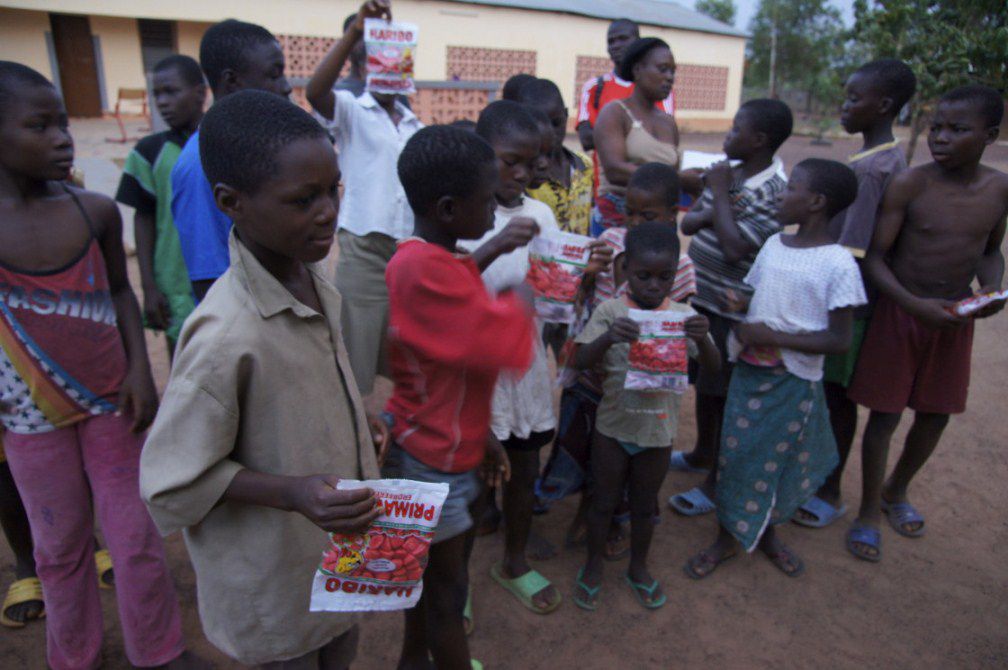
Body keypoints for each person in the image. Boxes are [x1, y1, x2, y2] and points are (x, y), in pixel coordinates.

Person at [141, 91, 386, 667]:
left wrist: (355, 418)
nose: (328, 211)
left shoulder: (315, 281)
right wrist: (290, 492)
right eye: (304, 199)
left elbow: (306, 387)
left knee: (339, 650)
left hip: (332, 561)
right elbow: (170, 481)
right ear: (232, 202)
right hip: (275, 584)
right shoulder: (226, 336)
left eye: (333, 191)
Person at [0, 61, 194, 670]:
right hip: (28, 417)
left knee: (136, 539)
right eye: (41, 126)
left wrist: (142, 369)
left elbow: (118, 292)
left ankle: (158, 653)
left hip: (114, 403)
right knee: (58, 546)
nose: (62, 137)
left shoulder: (93, 212)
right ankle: (73, 656)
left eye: (63, 123)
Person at [382, 124, 533, 669]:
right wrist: (523, 301)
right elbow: (495, 341)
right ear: (448, 209)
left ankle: (410, 661)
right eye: (487, 198)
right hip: (429, 462)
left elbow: (454, 367)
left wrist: (484, 435)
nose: (496, 207)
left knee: (429, 581)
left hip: (440, 445)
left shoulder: (432, 258)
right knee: (446, 592)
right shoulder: (421, 269)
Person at [844, 85, 1008, 562]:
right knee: (886, 414)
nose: (941, 137)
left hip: (954, 320)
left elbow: (989, 252)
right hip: (901, 312)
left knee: (935, 414)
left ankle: (898, 490)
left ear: (990, 135)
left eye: (958, 130)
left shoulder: (999, 189)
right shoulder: (911, 184)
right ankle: (869, 510)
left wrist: (992, 290)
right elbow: (876, 259)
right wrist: (913, 305)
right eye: (936, 126)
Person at [684, 158, 866, 579]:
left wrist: (772, 336)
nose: (782, 195)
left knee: (777, 460)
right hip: (748, 373)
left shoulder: (838, 264)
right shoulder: (773, 245)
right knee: (736, 454)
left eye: (792, 189)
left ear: (816, 202)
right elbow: (757, 296)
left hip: (791, 380)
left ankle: (767, 534)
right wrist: (740, 303)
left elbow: (839, 340)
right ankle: (726, 539)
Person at [459, 100, 602, 617]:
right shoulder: (461, 214)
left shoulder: (540, 214)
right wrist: (496, 246)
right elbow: (443, 293)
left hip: (524, 368)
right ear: (480, 155)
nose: (521, 174)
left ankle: (514, 561)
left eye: (532, 162)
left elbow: (550, 293)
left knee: (524, 467)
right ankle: (459, 589)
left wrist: (581, 269)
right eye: (508, 161)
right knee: (472, 485)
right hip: (476, 378)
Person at [795, 59, 917, 529]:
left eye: (852, 98)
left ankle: (829, 490)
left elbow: (852, 250)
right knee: (829, 395)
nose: (843, 106)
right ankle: (820, 478)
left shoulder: (874, 169)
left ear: (883, 105)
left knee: (835, 397)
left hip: (850, 303)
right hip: (852, 299)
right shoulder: (878, 158)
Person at [572, 221, 719, 609]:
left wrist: (703, 338)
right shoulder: (611, 311)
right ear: (625, 270)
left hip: (657, 434)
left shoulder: (685, 316)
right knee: (602, 502)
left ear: (676, 274)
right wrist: (609, 337)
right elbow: (581, 358)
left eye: (664, 277)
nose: (654, 285)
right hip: (613, 429)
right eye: (643, 276)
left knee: (643, 506)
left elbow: (715, 369)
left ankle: (638, 567)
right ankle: (592, 565)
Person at [669, 99, 793, 516]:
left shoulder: (776, 190)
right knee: (705, 384)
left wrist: (719, 198)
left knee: (724, 393)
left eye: (735, 127)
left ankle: (717, 479)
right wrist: (719, 210)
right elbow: (688, 223)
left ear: (759, 139)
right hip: (700, 297)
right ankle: (703, 452)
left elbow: (738, 246)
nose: (727, 134)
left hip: (732, 308)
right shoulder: (728, 171)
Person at [306, 0, 424, 396]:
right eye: (380, 58)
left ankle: (393, 430)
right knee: (355, 352)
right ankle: (355, 436)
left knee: (405, 349)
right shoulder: (353, 112)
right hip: (364, 250)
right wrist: (357, 30)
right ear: (366, 66)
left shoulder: (413, 124)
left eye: (398, 59)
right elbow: (315, 90)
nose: (389, 66)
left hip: (407, 251)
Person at [171, 19, 292, 302]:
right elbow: (209, 280)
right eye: (274, 75)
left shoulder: (257, 146)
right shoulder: (200, 163)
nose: (286, 87)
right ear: (232, 81)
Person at [115, 54, 206, 361]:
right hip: (174, 284)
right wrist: (149, 287)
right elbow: (145, 219)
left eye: (171, 91)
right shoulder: (148, 152)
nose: (162, 102)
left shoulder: (221, 142)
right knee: (184, 366)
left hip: (220, 275)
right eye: (157, 94)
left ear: (200, 91)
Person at [592, 38, 695, 236]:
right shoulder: (615, 113)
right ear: (638, 70)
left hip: (659, 222)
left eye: (673, 71)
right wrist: (677, 179)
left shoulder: (668, 122)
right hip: (617, 221)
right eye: (663, 69)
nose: (669, 77)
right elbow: (615, 170)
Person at [576, 19, 674, 197]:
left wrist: (616, 136)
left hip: (652, 196)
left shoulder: (661, 90)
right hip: (607, 193)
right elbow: (586, 139)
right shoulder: (594, 87)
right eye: (611, 41)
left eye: (623, 39)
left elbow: (663, 141)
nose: (616, 46)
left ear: (638, 41)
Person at [519, 78, 594, 236]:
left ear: (566, 116)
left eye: (556, 123)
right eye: (541, 124)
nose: (551, 133)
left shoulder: (585, 166)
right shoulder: (525, 176)